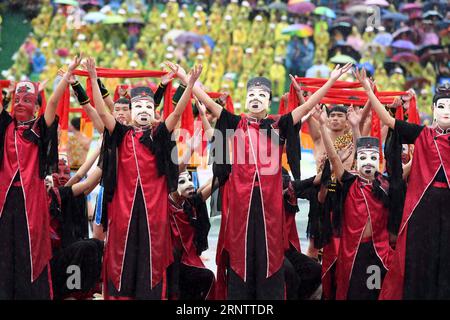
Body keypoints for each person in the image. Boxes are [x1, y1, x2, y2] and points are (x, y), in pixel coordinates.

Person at [165, 61, 352, 299]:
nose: (255, 98)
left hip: (269, 208)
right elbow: (209, 102)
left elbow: (308, 105)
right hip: (242, 207)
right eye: (251, 94)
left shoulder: (279, 125)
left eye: (261, 94)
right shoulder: (235, 123)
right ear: (245, 100)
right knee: (240, 257)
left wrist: (331, 81)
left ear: (269, 101)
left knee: (270, 259)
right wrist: (187, 80)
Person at [89, 57, 203, 300]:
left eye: (149, 108)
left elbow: (179, 111)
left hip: (154, 210)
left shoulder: (160, 135)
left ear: (155, 113)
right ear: (130, 112)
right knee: (122, 255)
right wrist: (91, 78)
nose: (143, 111)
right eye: (138, 107)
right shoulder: (120, 134)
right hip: (123, 208)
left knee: (152, 257)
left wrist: (190, 84)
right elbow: (101, 111)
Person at [355, 68, 450, 300]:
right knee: (418, 258)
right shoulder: (422, 135)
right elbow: (388, 120)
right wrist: (368, 90)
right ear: (433, 111)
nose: (446, 111)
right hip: (422, 208)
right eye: (441, 106)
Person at [0, 55, 82, 299]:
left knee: (31, 249)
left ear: (36, 107)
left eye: (27, 100)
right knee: (5, 250)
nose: (20, 104)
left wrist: (66, 79)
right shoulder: (5, 126)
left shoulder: (39, 128)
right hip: (5, 199)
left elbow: (53, 103)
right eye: (17, 100)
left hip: (31, 199)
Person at [316, 104, 393, 300]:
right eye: (363, 158)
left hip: (378, 252)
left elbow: (364, 150)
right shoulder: (348, 180)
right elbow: (332, 163)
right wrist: (323, 127)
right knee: (350, 290)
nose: (368, 161)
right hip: (348, 245)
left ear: (379, 161)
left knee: (374, 290)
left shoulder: (386, 184)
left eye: (373, 157)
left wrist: (357, 126)